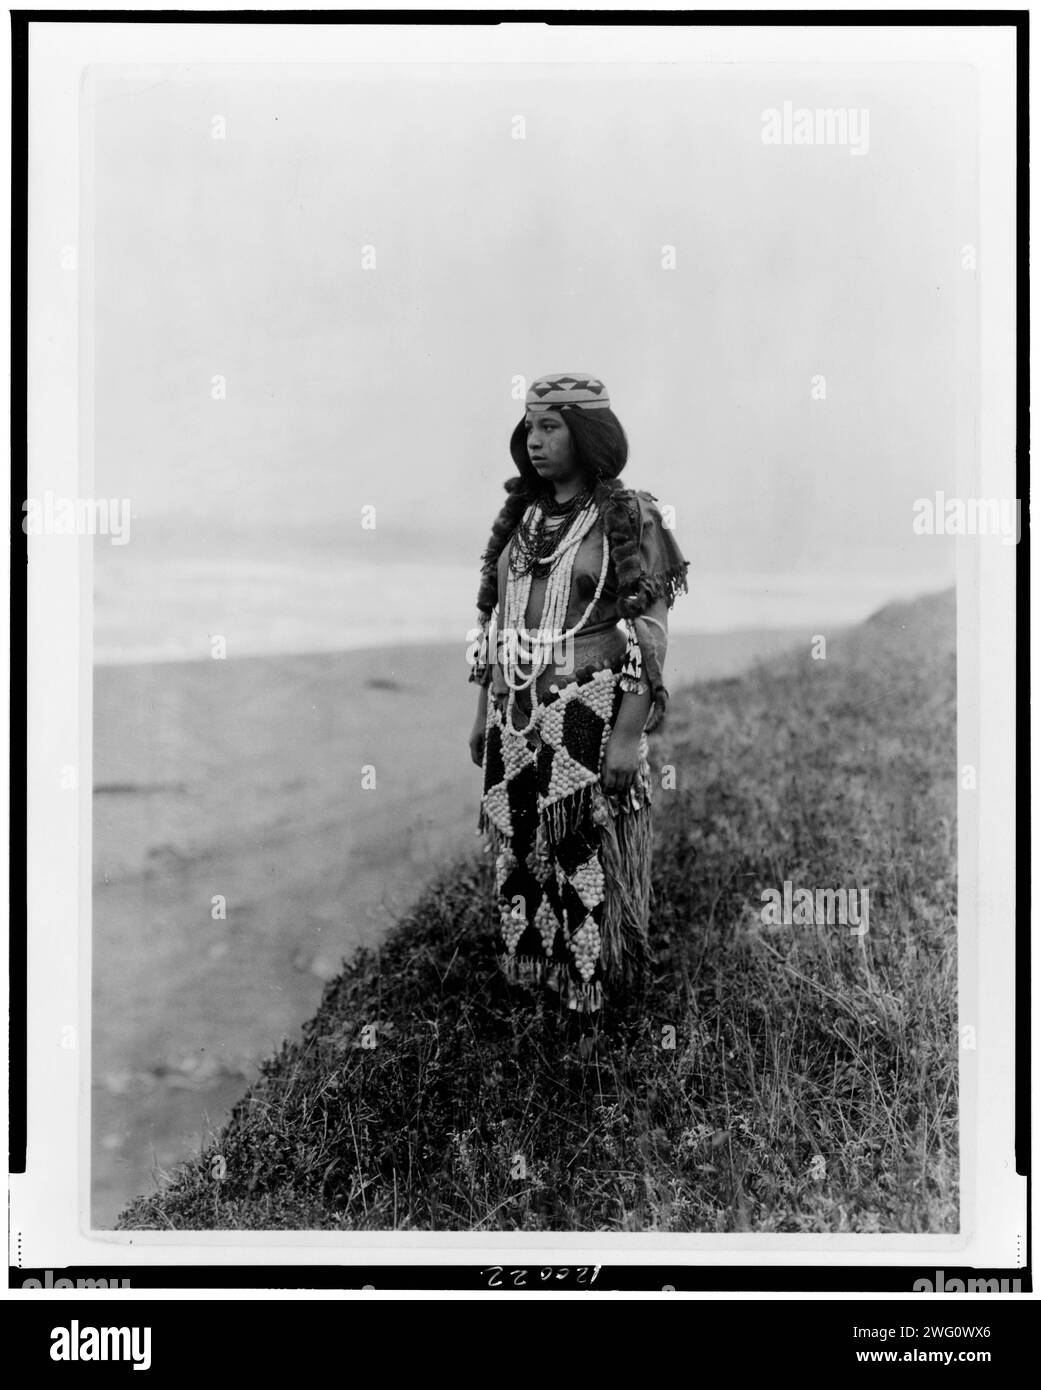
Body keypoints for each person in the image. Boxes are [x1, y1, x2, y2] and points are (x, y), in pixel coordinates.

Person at [468, 372, 689, 1014]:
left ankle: (593, 998)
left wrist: (627, 734)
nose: (534, 441)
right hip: (516, 715)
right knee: (519, 853)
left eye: (551, 426)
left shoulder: (629, 516)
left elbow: (651, 633)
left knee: (580, 853)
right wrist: (483, 711)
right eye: (529, 428)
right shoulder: (523, 516)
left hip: (586, 712)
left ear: (586, 434)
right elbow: (496, 620)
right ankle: (534, 980)